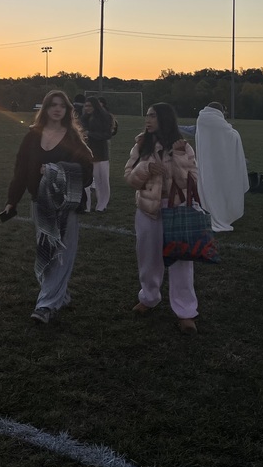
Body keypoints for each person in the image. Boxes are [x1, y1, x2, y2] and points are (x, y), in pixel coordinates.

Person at [2, 90, 93, 324]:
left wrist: (57, 171)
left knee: (62, 253)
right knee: (47, 252)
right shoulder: (33, 136)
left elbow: (87, 174)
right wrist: (12, 200)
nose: (57, 109)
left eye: (62, 106)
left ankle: (46, 305)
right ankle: (57, 295)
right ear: (45, 108)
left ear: (67, 110)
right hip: (40, 203)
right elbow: (21, 170)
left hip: (66, 205)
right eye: (52, 105)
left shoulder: (73, 138)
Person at [124, 102, 200, 334]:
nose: (148, 120)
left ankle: (185, 311)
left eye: (153, 116)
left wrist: (177, 157)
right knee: (148, 258)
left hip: (176, 209)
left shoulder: (183, 146)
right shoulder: (140, 144)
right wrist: (146, 168)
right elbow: (129, 178)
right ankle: (149, 297)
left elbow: (192, 180)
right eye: (147, 115)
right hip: (148, 210)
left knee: (181, 262)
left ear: (165, 119)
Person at [195, 101, 250, 233]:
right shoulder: (217, 122)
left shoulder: (201, 119)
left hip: (207, 161)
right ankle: (224, 212)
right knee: (223, 188)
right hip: (223, 162)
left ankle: (212, 209)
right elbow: (231, 136)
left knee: (211, 187)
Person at [80, 96, 114, 212]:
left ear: (95, 106)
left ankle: (102, 205)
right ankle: (86, 206)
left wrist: (90, 134)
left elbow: (107, 135)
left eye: (89, 105)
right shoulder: (84, 118)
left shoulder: (105, 117)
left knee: (102, 180)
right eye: (86, 105)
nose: (87, 108)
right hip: (87, 152)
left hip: (101, 152)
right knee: (87, 180)